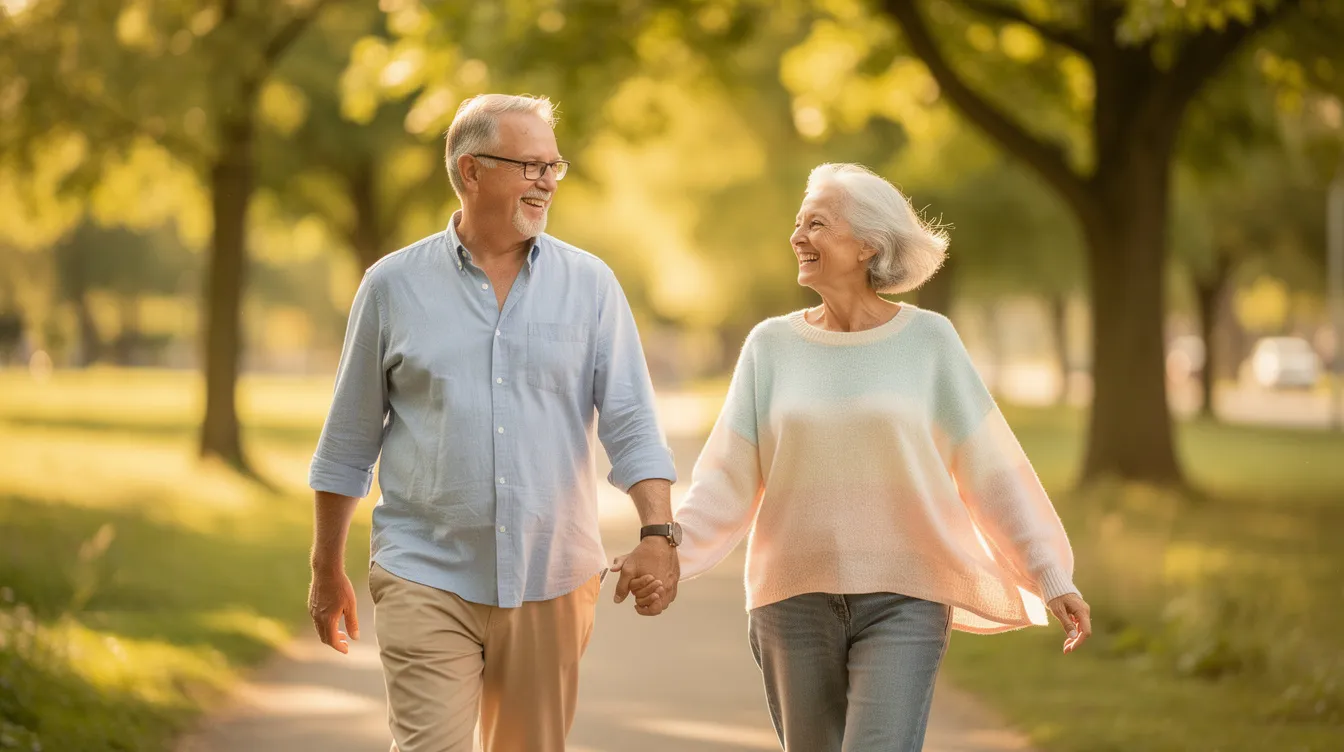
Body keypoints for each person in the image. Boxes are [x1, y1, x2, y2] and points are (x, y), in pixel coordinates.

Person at [617, 162, 1092, 751]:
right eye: (798, 223)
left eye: (816, 224)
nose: (798, 237)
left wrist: (1048, 572)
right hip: (792, 602)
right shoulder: (771, 347)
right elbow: (726, 482)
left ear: (868, 244)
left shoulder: (928, 342)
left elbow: (991, 471)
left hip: (905, 598)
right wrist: (667, 547)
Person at [305, 93, 681, 752]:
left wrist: (658, 531)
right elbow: (347, 441)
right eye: (530, 166)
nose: (546, 182)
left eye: (552, 167)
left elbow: (630, 419)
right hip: (426, 571)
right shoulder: (392, 286)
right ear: (471, 170)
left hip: (552, 577)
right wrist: (324, 568)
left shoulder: (590, 286)